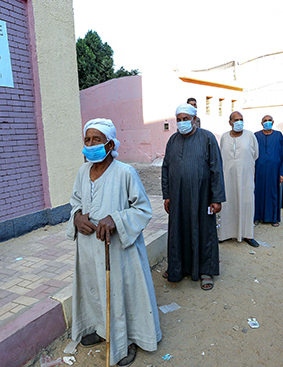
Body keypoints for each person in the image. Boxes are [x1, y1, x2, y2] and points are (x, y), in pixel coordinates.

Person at [67, 118, 162, 366]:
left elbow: (142, 209)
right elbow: (75, 201)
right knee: (95, 290)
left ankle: (127, 339)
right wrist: (77, 217)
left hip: (118, 249)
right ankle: (102, 329)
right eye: (87, 140)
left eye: (96, 140)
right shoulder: (82, 171)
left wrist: (116, 220)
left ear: (109, 145)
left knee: (121, 292)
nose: (89, 145)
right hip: (89, 247)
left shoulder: (125, 172)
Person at [162, 103, 225, 291]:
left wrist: (217, 198)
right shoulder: (172, 140)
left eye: (185, 119)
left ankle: (206, 271)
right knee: (178, 231)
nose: (182, 123)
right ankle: (177, 267)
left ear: (194, 119)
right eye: (178, 120)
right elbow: (166, 168)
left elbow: (216, 168)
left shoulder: (207, 138)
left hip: (202, 196)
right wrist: (167, 195)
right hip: (178, 197)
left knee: (204, 231)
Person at [219, 111, 260, 247]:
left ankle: (248, 235)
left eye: (241, 119)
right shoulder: (224, 137)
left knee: (247, 203)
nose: (239, 122)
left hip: (245, 178)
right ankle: (226, 234)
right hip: (227, 178)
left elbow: (255, 155)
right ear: (230, 122)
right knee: (228, 203)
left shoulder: (250, 135)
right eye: (236, 119)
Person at [254, 115, 283, 227]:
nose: (267, 122)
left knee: (273, 193)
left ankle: (274, 218)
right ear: (261, 123)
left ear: (273, 122)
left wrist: (282, 173)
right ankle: (257, 217)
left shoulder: (278, 135)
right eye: (265, 121)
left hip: (274, 171)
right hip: (259, 170)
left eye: (269, 120)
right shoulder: (256, 135)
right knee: (258, 193)